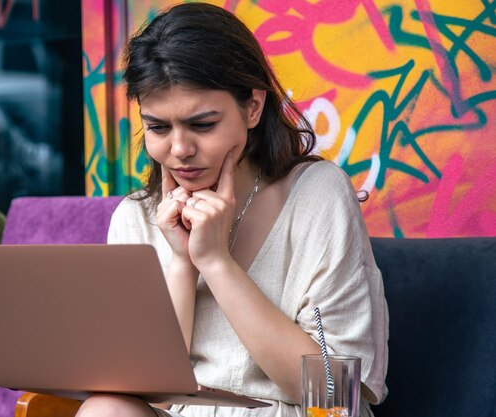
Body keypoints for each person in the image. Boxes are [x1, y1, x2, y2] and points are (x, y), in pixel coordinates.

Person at [76, 3, 388, 417]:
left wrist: (216, 262)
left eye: (203, 125)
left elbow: (333, 393)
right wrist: (182, 265)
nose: (180, 150)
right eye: (158, 128)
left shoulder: (317, 195)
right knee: (106, 409)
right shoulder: (136, 217)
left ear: (253, 107)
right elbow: (143, 394)